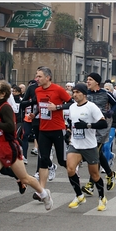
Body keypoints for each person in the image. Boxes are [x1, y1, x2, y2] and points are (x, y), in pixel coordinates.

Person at [0, 80, 53, 221]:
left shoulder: (5, 107)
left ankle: (44, 194)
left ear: (3, 94)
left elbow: (10, 127)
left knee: (24, 178)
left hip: (9, 147)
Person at [64, 83, 108, 210]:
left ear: (84, 94)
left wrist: (87, 125)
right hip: (75, 144)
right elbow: (71, 122)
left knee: (94, 175)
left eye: (78, 92)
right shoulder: (72, 107)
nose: (75, 95)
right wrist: (68, 132)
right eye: (74, 92)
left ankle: (102, 198)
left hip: (89, 145)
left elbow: (103, 123)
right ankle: (79, 195)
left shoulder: (91, 107)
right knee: (70, 169)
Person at [33, 66, 74, 196]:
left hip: (58, 129)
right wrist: (34, 114)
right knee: (43, 160)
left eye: (39, 76)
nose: (36, 79)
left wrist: (57, 107)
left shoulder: (58, 90)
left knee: (63, 161)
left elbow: (71, 103)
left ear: (48, 77)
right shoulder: (37, 90)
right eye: (36, 76)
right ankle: (41, 191)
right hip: (43, 130)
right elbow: (40, 106)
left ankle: (77, 184)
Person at [81, 72, 116, 194]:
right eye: (87, 79)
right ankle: (110, 173)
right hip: (90, 126)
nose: (88, 82)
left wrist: (110, 113)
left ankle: (91, 184)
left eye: (90, 79)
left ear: (97, 82)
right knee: (97, 154)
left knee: (94, 153)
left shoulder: (106, 93)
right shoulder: (85, 94)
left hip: (103, 126)